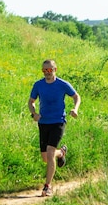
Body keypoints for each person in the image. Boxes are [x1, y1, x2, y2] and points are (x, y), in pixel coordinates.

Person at [28, 59, 81, 197]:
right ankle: (61, 153)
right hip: (43, 122)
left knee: (50, 152)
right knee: (46, 157)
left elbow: (76, 97)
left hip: (58, 121)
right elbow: (31, 101)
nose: (47, 73)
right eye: (44, 70)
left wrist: (75, 109)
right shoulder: (38, 85)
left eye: (49, 70)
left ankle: (47, 186)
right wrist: (34, 113)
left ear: (55, 70)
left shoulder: (62, 84)